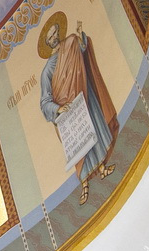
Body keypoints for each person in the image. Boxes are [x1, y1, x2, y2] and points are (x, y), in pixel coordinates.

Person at [38, 14, 118, 205]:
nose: (54, 37)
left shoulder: (71, 42)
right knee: (79, 145)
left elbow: (82, 51)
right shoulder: (47, 71)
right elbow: (45, 101)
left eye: (55, 33)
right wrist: (58, 108)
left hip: (83, 94)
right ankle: (85, 184)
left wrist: (81, 37)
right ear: (47, 43)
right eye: (50, 37)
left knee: (93, 129)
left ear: (59, 31)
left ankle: (102, 168)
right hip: (68, 111)